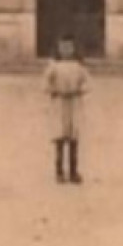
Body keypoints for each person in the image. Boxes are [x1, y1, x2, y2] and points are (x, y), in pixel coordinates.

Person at [44, 34, 91, 185]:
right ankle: (59, 171)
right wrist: (53, 90)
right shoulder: (53, 67)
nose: (66, 50)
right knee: (59, 137)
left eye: (69, 47)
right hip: (59, 103)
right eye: (63, 47)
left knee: (73, 137)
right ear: (58, 49)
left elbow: (88, 83)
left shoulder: (79, 67)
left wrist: (80, 90)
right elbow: (45, 83)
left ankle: (73, 171)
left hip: (74, 102)